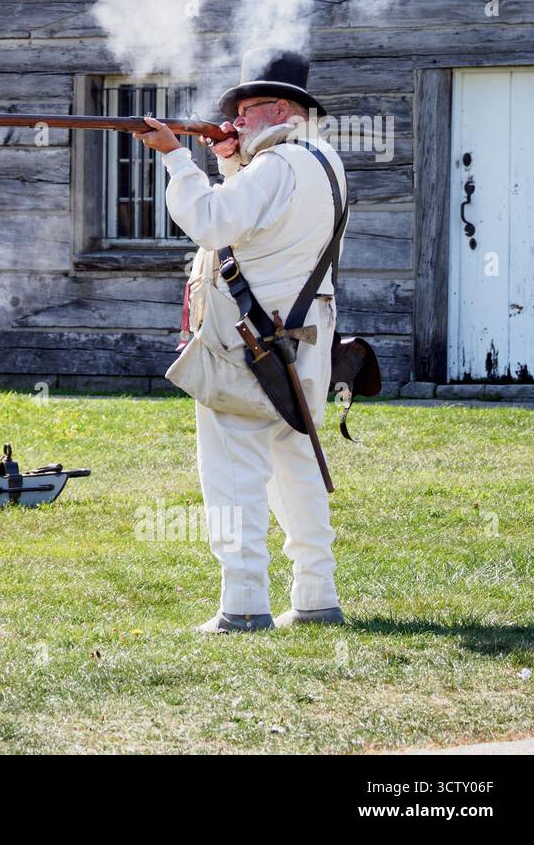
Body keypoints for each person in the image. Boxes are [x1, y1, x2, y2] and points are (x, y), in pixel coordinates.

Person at [137, 50, 348, 633]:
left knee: (233, 475)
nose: (233, 120)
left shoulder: (276, 166)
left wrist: (178, 160)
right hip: (302, 344)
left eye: (245, 111)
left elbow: (211, 223)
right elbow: (261, 226)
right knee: (297, 468)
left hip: (249, 346)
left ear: (280, 109)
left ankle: (244, 604)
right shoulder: (319, 160)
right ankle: (316, 595)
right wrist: (232, 163)